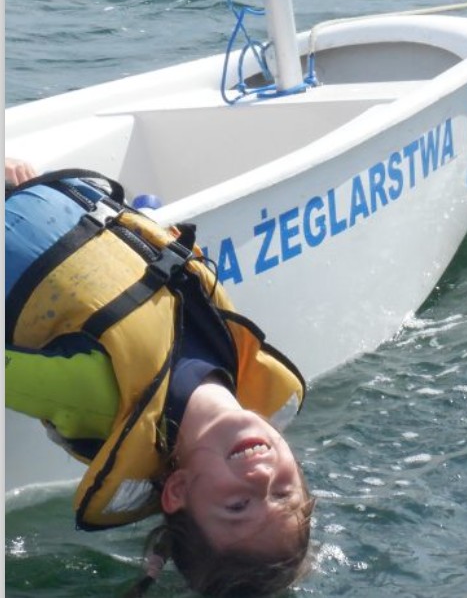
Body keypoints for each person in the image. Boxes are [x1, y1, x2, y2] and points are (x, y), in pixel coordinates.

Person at [5, 169, 314, 596]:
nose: (262, 478)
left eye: (238, 505)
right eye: (282, 492)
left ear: (178, 490)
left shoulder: (102, 398)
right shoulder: (228, 354)